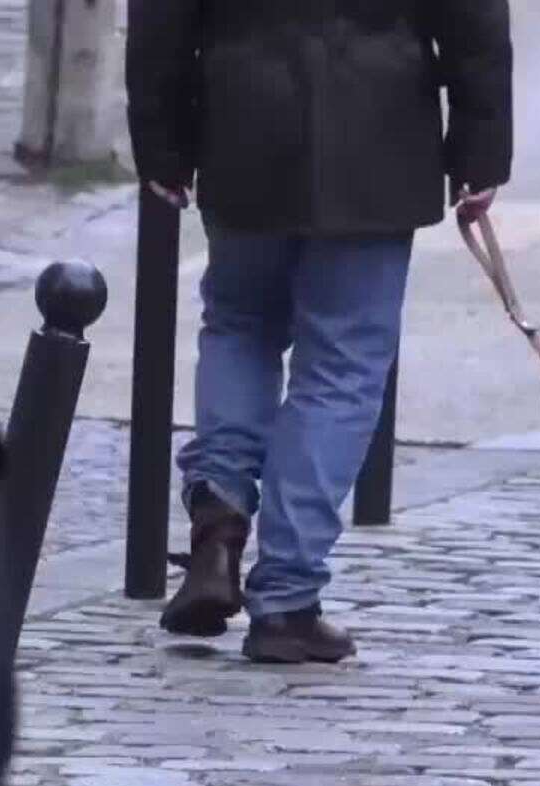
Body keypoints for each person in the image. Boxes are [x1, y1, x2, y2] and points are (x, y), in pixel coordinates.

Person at [127, 0, 515, 664]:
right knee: (342, 366)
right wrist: (479, 150)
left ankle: (218, 520)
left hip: (244, 123)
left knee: (239, 326)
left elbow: (160, 16)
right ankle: (285, 597)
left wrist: (160, 140)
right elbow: (475, 24)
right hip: (379, 132)